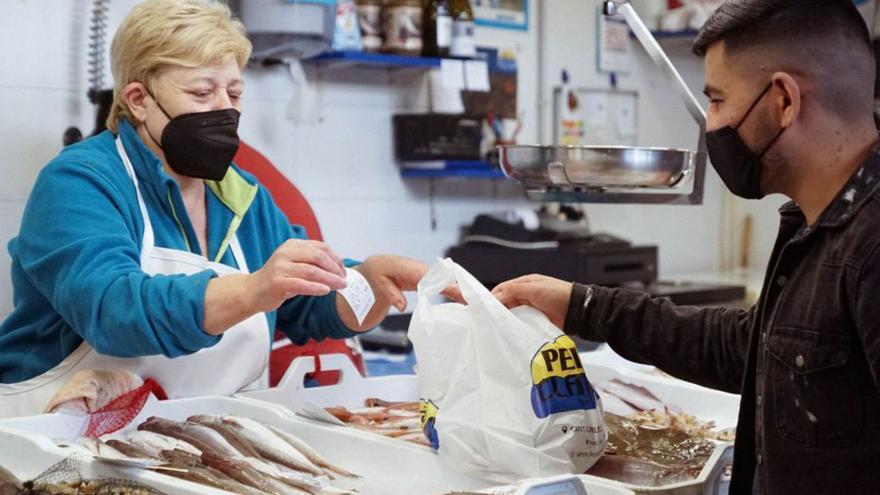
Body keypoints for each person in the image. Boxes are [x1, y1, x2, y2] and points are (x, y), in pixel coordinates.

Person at [493, 1, 880, 493]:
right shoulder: (810, 225)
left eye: (717, 100)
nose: (710, 123)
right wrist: (582, 306)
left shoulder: (871, 243)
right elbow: (748, 348)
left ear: (784, 100)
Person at [0, 0, 432, 417]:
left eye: (234, 92)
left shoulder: (241, 194)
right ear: (138, 99)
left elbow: (303, 307)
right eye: (202, 92)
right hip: (59, 436)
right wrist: (252, 291)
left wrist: (367, 286)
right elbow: (114, 312)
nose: (225, 110)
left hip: (194, 443)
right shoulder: (80, 182)